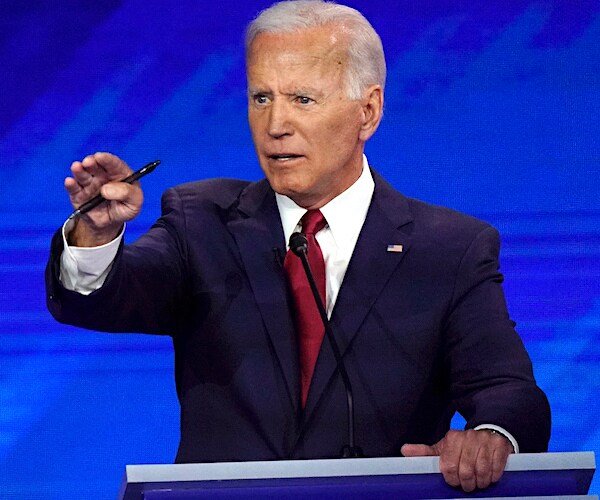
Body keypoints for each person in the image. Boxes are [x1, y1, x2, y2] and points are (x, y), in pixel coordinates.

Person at [45, 0, 550, 493]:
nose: (274, 125)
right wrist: (98, 233)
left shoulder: (449, 249)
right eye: (261, 97)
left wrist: (491, 436)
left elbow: (509, 392)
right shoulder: (202, 221)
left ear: (367, 112)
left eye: (302, 99)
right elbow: (107, 295)